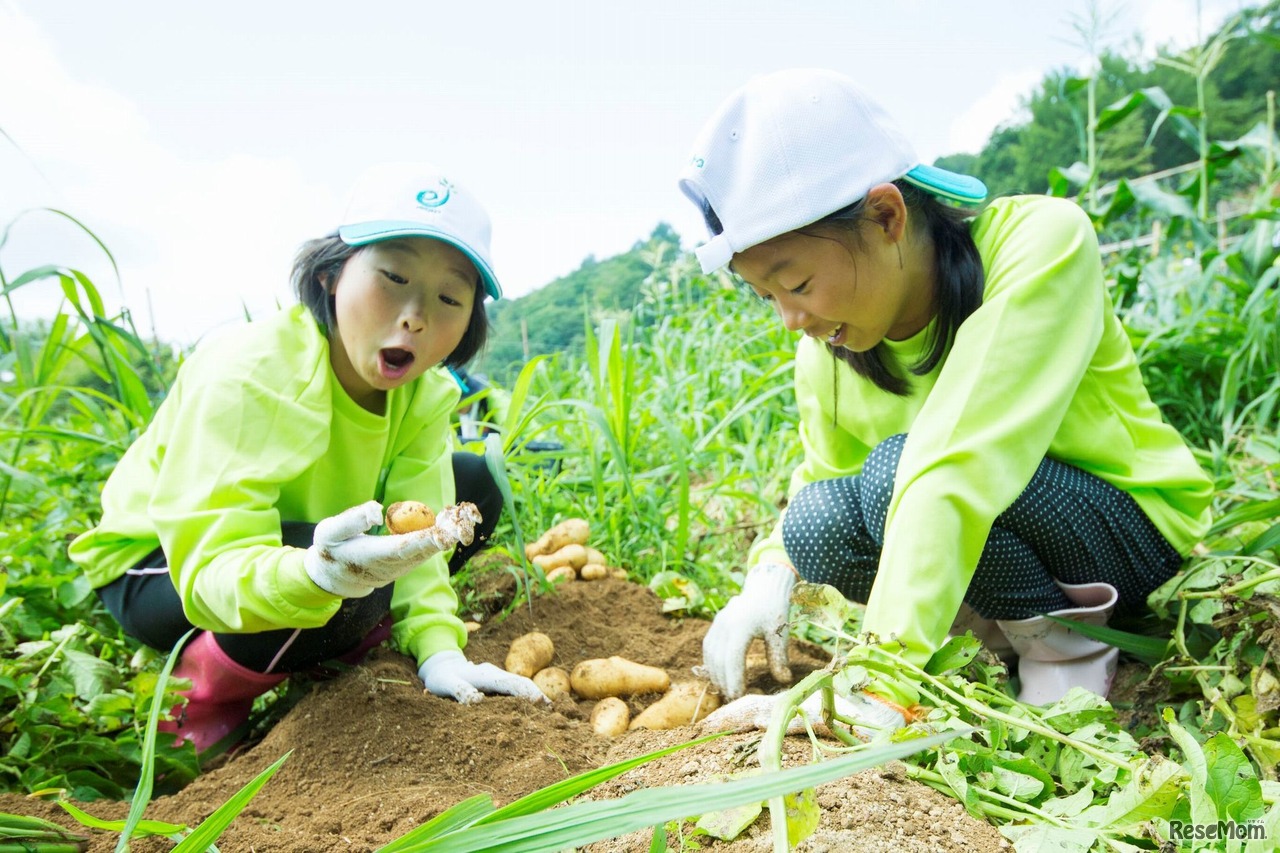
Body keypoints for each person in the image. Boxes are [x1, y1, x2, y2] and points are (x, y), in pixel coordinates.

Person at [678, 69, 1213, 728]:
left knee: (896, 473)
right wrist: (767, 576)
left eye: (799, 283)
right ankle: (999, 640)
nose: (790, 318)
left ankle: (1068, 651)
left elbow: (958, 461)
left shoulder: (1041, 244)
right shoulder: (826, 348)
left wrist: (881, 678)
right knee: (816, 519)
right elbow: (822, 477)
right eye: (769, 297)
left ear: (885, 215)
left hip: (1125, 538)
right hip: (997, 533)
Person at [69, 162, 545, 753]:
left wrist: (440, 649)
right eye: (393, 276)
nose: (416, 316)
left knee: (470, 485)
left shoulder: (426, 393)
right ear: (330, 275)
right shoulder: (248, 374)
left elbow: (422, 532)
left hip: (298, 536)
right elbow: (210, 571)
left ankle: (330, 628)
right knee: (352, 589)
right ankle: (206, 693)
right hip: (160, 563)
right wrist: (317, 575)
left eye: (449, 297)